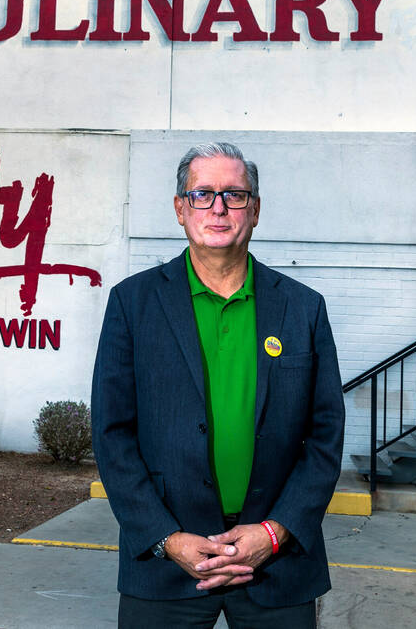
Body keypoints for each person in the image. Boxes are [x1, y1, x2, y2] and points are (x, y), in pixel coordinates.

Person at [91, 142, 345, 628]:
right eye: (203, 194)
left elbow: (325, 435)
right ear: (180, 208)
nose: (219, 208)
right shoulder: (133, 303)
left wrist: (275, 534)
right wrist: (167, 538)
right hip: (165, 561)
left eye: (234, 195)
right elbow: (111, 433)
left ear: (255, 210)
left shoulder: (303, 307)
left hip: (278, 562)